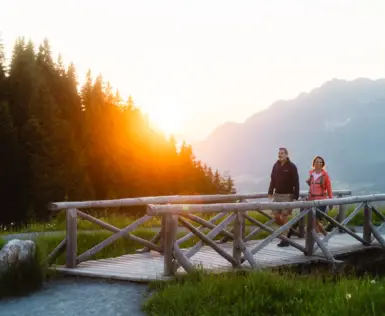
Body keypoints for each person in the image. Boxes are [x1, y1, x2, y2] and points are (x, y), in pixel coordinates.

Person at [268, 147, 300, 247]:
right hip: (277, 195)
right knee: (276, 217)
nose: (280, 155)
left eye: (282, 153)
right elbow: (272, 180)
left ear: (286, 155)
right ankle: (289, 229)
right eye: (279, 153)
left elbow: (296, 182)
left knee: (284, 216)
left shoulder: (292, 166)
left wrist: (296, 197)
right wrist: (270, 192)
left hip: (287, 195)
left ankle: (285, 239)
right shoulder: (276, 165)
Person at [306, 156, 333, 237]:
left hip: (321, 200)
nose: (319, 163)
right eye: (317, 162)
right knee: (313, 220)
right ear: (314, 163)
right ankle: (323, 236)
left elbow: (329, 188)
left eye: (321, 162)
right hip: (311, 200)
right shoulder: (311, 173)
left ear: (323, 164)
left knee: (315, 220)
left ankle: (316, 238)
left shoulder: (325, 175)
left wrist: (331, 200)